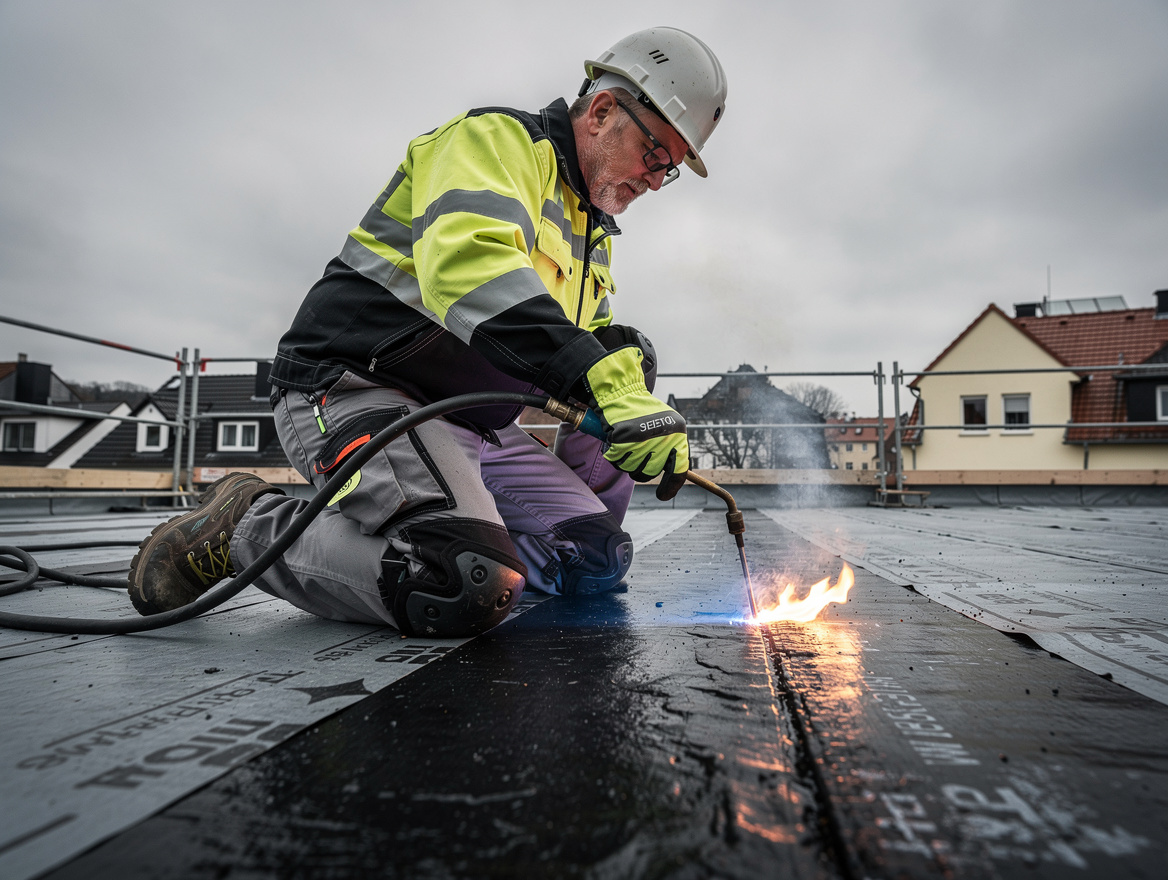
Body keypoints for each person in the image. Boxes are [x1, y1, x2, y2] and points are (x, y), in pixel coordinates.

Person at [128, 28, 728, 637]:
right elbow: (470, 271)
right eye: (656, 156)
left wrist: (629, 404)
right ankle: (247, 530)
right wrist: (599, 375)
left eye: (670, 171)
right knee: (466, 580)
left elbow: (588, 365)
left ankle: (443, 515)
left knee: (592, 561)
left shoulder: (589, 233)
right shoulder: (492, 142)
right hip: (351, 392)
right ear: (602, 111)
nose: (656, 181)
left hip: (470, 426)